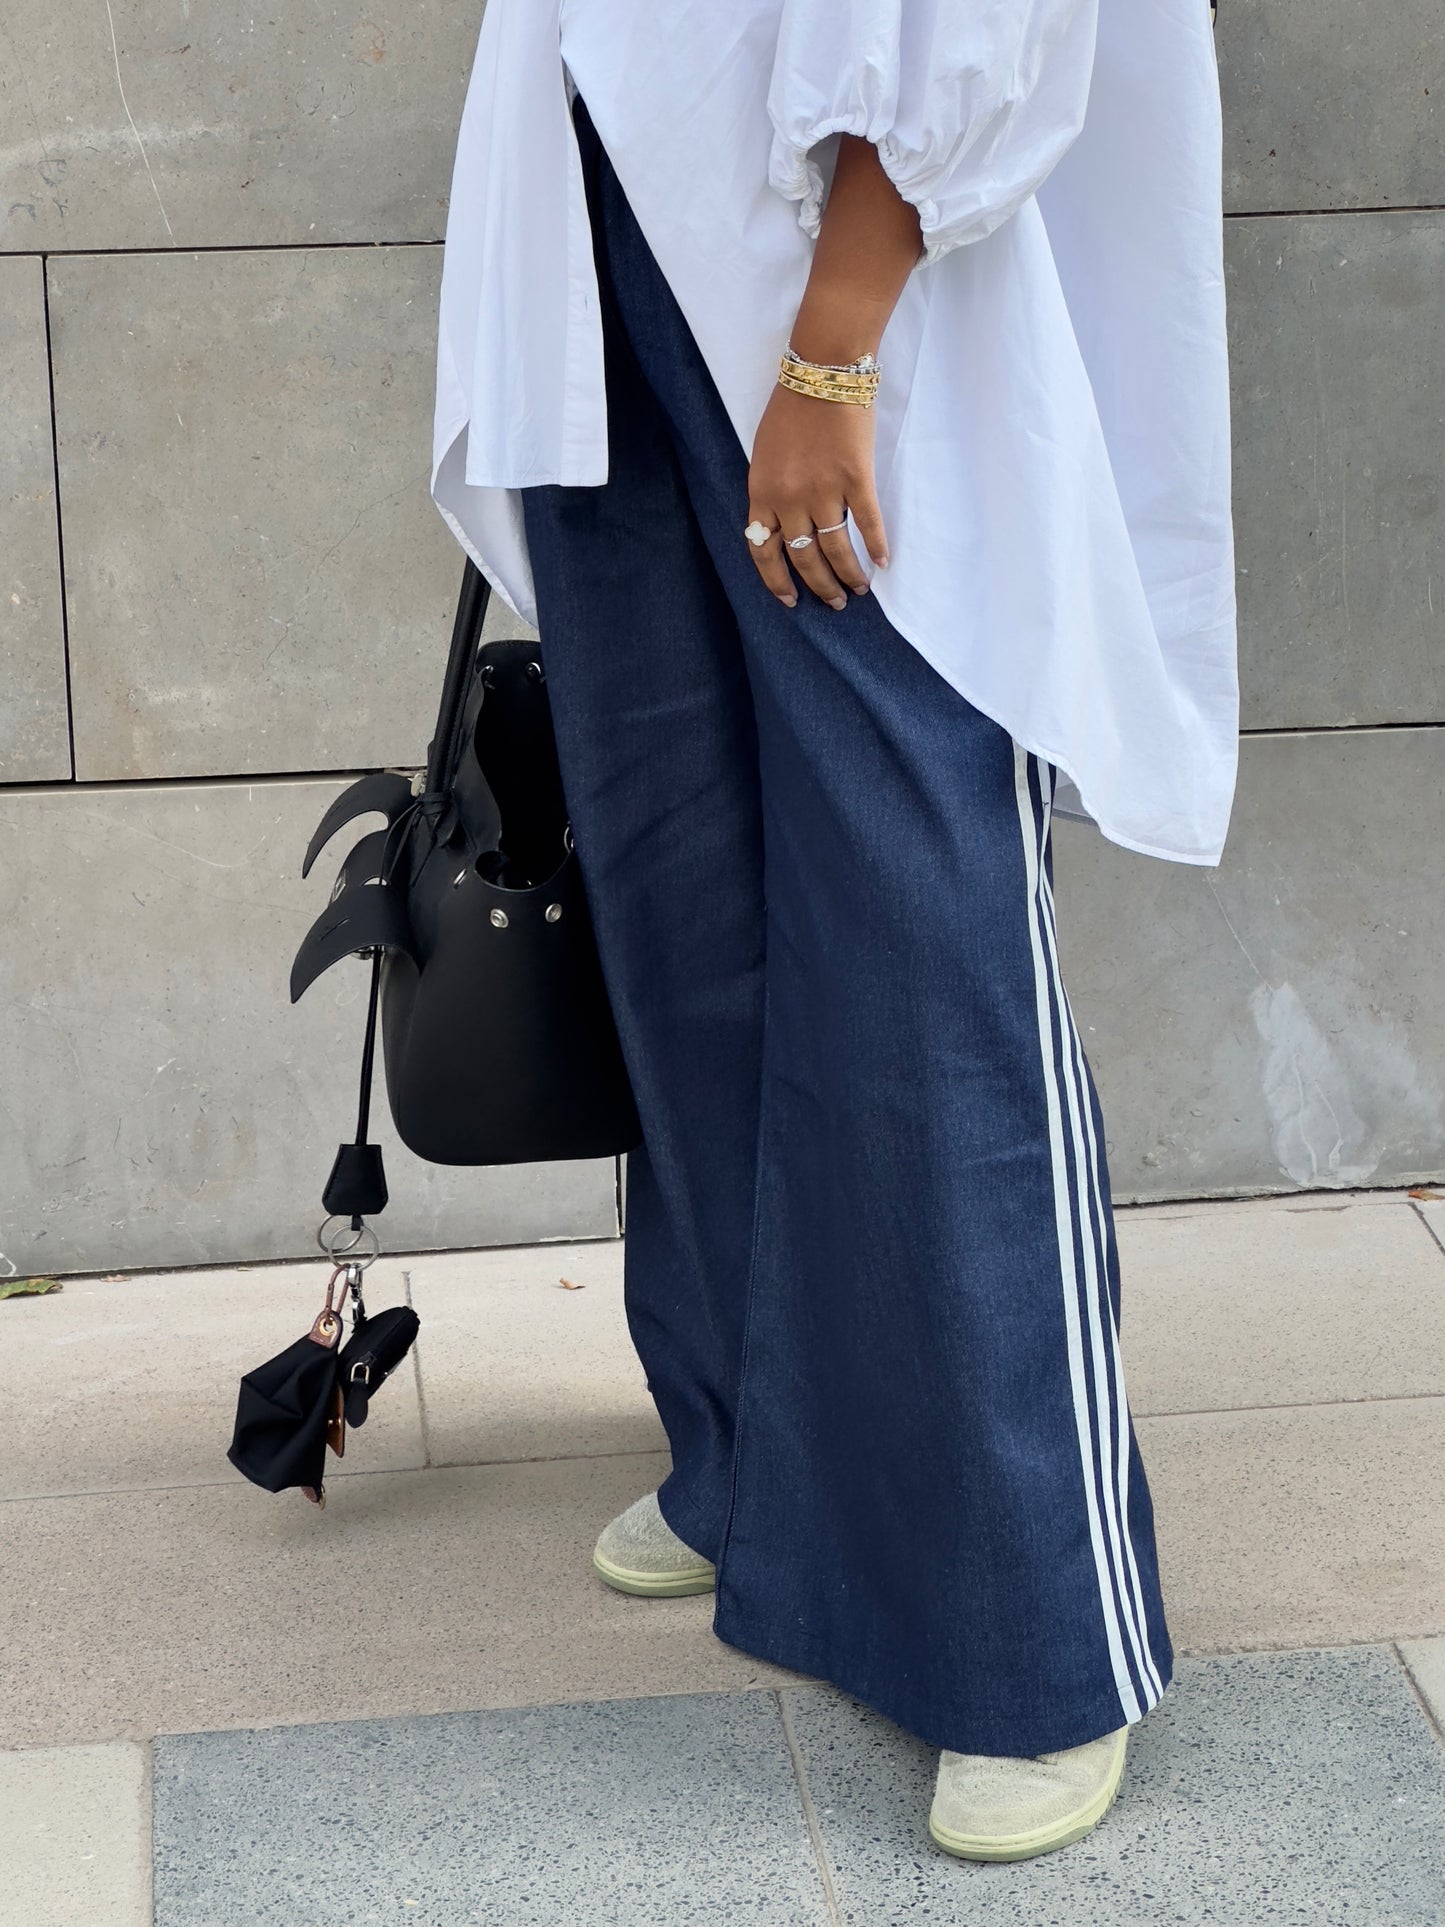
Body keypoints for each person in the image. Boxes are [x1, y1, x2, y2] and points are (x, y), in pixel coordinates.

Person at [432, 0, 1236, 1863]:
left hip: (831, 292)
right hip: (614, 259)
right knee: (680, 906)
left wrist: (836, 351)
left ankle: (1026, 1641)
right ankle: (751, 1462)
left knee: (916, 948)